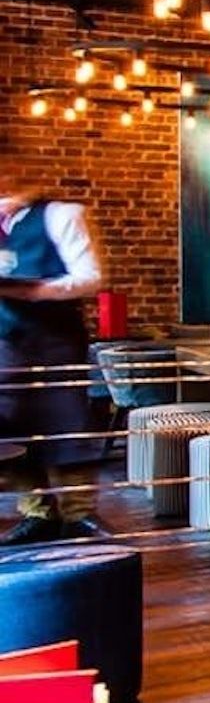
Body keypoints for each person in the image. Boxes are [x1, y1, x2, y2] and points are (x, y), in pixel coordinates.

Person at [0, 183, 103, 535]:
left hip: (56, 339)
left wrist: (35, 290)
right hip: (7, 343)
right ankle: (37, 514)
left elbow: (90, 278)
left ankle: (79, 516)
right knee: (13, 431)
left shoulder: (60, 215)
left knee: (67, 427)